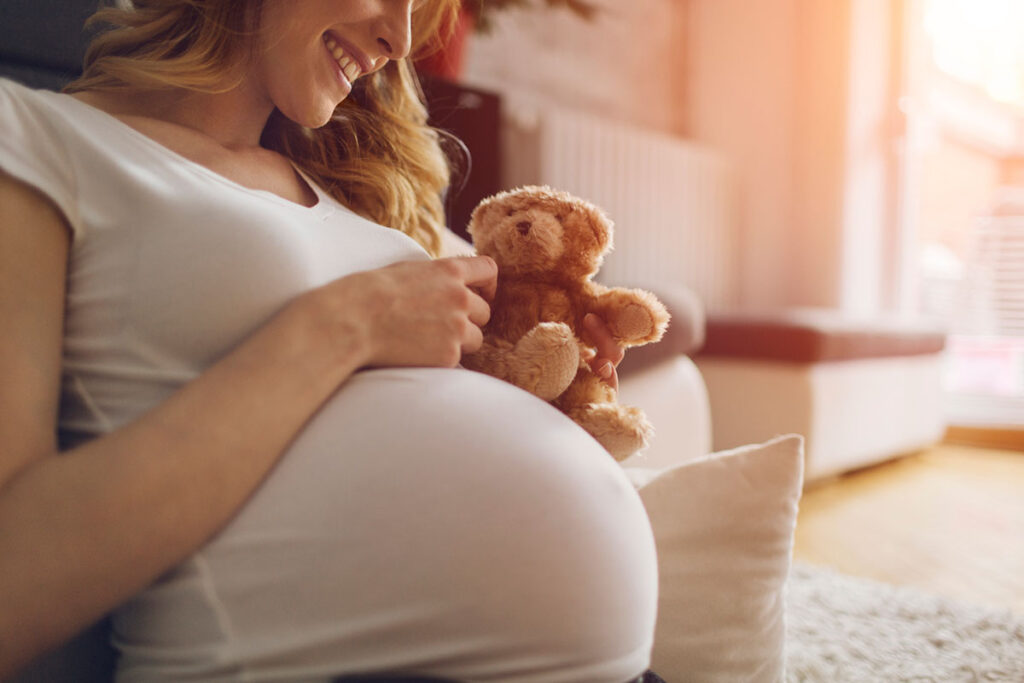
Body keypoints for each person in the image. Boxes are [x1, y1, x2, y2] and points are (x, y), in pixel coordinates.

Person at [0, 0, 659, 681]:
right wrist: (346, 324)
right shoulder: (35, 135)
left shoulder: (347, 186)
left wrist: (555, 368)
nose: (399, 38)